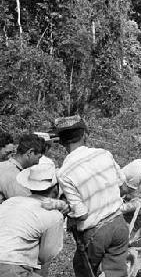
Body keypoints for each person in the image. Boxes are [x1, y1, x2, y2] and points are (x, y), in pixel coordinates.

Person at [55, 115, 129, 277]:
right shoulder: (103, 153)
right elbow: (123, 188)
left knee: (84, 270)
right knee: (116, 272)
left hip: (96, 232)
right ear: (85, 135)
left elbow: (81, 214)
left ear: (60, 142)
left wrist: (68, 211)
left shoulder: (64, 172)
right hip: (119, 224)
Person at [0, 159, 64, 277]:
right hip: (10, 266)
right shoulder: (53, 215)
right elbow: (46, 256)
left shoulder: (10, 202)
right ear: (55, 188)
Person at [0, 133, 46, 200]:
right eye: (38, 157)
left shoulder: (5, 166)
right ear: (30, 152)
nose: (37, 162)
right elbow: (26, 202)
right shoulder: (13, 174)